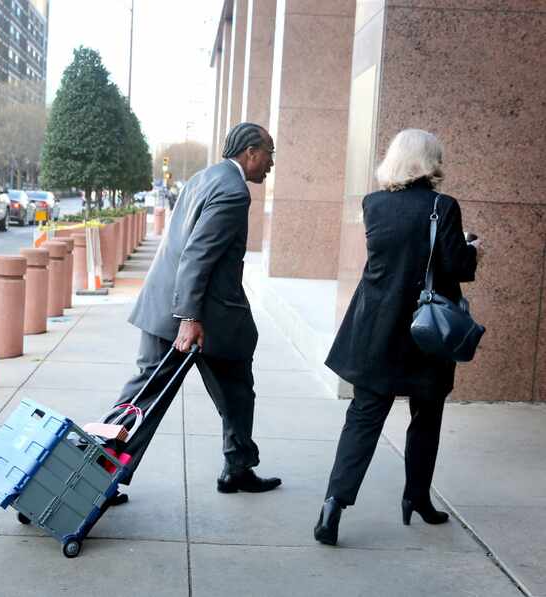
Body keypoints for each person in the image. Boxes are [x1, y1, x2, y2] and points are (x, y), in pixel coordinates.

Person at [313, 129, 483, 546]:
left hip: (377, 329)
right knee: (426, 417)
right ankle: (417, 498)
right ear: (430, 162)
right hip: (427, 331)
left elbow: (394, 257)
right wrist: (474, 249)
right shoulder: (443, 206)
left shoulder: (374, 204)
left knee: (364, 417)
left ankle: (333, 504)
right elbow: (456, 267)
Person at [109, 122, 279, 498]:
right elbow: (197, 254)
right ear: (250, 152)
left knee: (233, 391)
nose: (271, 163)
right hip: (192, 319)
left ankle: (238, 466)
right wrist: (189, 318)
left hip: (178, 310)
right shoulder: (234, 191)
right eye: (269, 153)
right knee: (145, 400)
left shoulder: (205, 178)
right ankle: (98, 476)